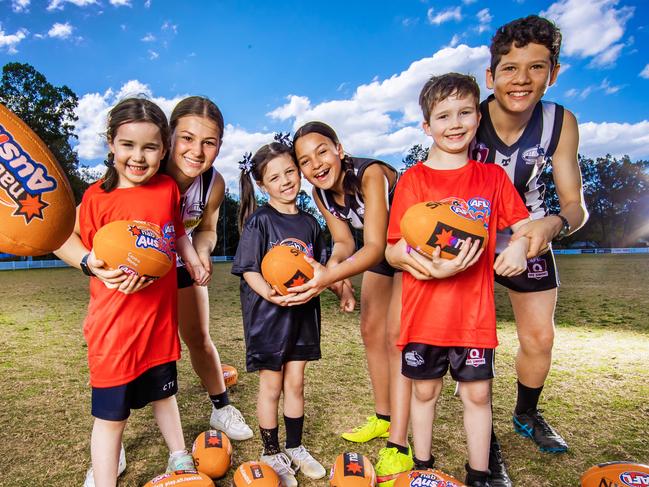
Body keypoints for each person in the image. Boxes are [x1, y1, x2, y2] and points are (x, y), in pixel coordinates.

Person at [385, 73, 531, 487]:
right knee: (424, 392)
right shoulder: (413, 180)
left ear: (477, 117)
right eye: (443, 115)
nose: (455, 123)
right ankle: (422, 468)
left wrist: (519, 246)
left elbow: (523, 227)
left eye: (465, 112)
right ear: (426, 126)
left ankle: (479, 474)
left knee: (478, 394)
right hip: (424, 314)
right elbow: (393, 249)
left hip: (473, 315)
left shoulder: (492, 179)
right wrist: (425, 265)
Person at [55, 98, 208, 486]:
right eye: (128, 145)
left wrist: (190, 257)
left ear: (164, 150)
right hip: (113, 331)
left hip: (157, 323)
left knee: (164, 395)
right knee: (110, 418)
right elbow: (62, 238)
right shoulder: (96, 198)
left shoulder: (167, 189)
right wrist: (92, 265)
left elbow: (176, 232)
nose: (138, 157)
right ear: (111, 143)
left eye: (150, 147)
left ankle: (179, 456)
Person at [472, 15, 588, 486]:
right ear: (491, 75)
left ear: (553, 73)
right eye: (510, 68)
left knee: (539, 338)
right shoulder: (468, 117)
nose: (522, 79)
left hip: (530, 235)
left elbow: (575, 206)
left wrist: (551, 223)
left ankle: (526, 413)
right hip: (472, 239)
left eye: (536, 68)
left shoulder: (560, 122)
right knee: (471, 342)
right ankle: (484, 433)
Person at [287, 122, 414, 484]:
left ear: (339, 149)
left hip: (408, 248)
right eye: (305, 160)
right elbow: (344, 242)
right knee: (371, 331)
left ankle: (399, 443)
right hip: (383, 250)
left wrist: (327, 278)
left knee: (395, 337)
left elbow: (373, 246)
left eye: (322, 151)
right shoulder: (320, 193)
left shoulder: (371, 174)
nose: (316, 164)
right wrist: (333, 272)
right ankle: (383, 416)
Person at [231, 140, 328, 487]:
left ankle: (295, 446)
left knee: (296, 383)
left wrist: (339, 287)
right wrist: (271, 295)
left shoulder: (310, 224)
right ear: (262, 185)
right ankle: (272, 452)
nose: (286, 180)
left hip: (303, 318)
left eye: (290, 171)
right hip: (268, 318)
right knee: (272, 386)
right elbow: (248, 269)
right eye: (275, 177)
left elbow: (319, 266)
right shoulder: (259, 222)